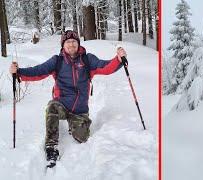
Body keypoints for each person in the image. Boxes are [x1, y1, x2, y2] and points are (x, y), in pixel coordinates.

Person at [9, 30, 127, 168]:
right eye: (68, 42)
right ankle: (51, 147)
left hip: (80, 109)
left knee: (82, 138)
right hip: (62, 105)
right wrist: (19, 72)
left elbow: (105, 67)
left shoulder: (88, 60)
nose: (71, 44)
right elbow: (38, 71)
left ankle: (74, 124)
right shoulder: (57, 61)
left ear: (78, 43)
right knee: (52, 106)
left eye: (74, 41)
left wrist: (119, 59)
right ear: (63, 45)